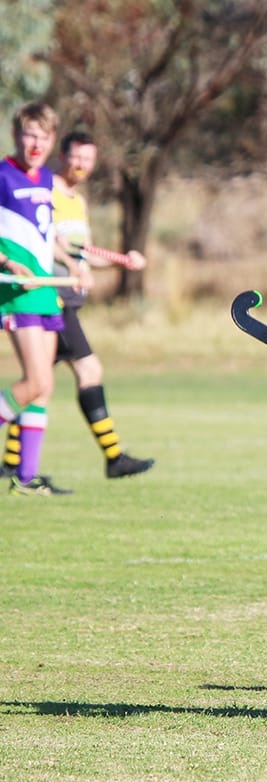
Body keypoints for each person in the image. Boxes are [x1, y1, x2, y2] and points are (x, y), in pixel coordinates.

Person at [1, 130, 154, 480]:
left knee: (38, 384)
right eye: (77, 157)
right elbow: (48, 246)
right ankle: (113, 457)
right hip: (48, 297)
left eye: (89, 159)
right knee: (84, 372)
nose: (82, 165)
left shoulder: (77, 201)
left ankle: (13, 463)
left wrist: (119, 262)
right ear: (63, 155)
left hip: (65, 297)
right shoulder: (44, 189)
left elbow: (81, 254)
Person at [0, 102, 70, 496]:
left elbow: (47, 235)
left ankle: (26, 478)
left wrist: (74, 266)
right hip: (16, 291)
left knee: (45, 389)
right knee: (36, 379)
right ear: (17, 134)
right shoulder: (2, 175)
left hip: (45, 292)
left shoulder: (46, 178)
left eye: (43, 136)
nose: (36, 143)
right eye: (29, 134)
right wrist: (9, 262)